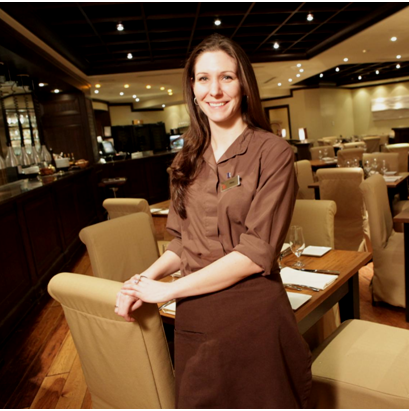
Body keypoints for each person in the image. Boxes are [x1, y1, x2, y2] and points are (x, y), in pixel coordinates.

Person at [116, 34, 311, 408]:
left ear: (244, 85)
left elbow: (255, 253)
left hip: (253, 316)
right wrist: (143, 280)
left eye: (227, 77)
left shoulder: (273, 152)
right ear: (192, 88)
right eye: (203, 78)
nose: (215, 90)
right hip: (196, 316)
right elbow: (182, 241)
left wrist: (167, 291)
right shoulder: (185, 159)